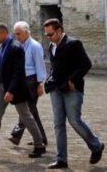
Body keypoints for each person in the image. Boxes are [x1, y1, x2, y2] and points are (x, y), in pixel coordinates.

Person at [0, 23, 46, 159]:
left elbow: (18, 72)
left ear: (4, 32)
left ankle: (39, 145)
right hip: (1, 88)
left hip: (16, 89)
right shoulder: (2, 48)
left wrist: (11, 91)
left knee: (26, 117)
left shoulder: (16, 47)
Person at [42, 18, 104, 169]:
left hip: (72, 89)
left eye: (50, 34)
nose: (48, 38)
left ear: (58, 30)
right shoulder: (52, 46)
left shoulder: (73, 43)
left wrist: (73, 80)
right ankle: (61, 159)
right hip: (56, 89)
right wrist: (49, 79)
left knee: (74, 120)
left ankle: (96, 146)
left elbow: (86, 64)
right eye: (46, 35)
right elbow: (55, 67)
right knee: (58, 124)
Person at [8, 21, 48, 147]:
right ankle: (41, 138)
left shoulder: (35, 46)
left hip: (32, 80)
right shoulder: (19, 45)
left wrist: (40, 83)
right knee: (32, 111)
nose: (17, 36)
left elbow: (40, 65)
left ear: (26, 32)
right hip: (23, 80)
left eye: (19, 34)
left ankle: (16, 135)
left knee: (27, 109)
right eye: (15, 34)